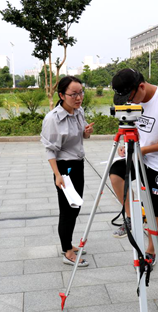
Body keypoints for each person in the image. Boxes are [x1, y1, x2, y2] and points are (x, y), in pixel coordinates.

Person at [109, 68, 158, 265]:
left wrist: (145, 150)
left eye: (130, 97)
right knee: (115, 175)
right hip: (139, 155)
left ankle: (151, 250)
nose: (130, 103)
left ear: (140, 86)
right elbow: (129, 126)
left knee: (154, 210)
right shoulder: (133, 99)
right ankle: (132, 217)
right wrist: (125, 144)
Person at [40, 76, 95, 267]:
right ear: (62, 95)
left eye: (80, 92)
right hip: (65, 167)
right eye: (73, 94)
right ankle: (67, 252)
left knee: (76, 206)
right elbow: (50, 149)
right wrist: (57, 175)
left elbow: (81, 135)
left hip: (78, 164)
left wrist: (86, 133)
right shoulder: (53, 118)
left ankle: (68, 243)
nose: (78, 97)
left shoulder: (78, 112)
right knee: (68, 208)